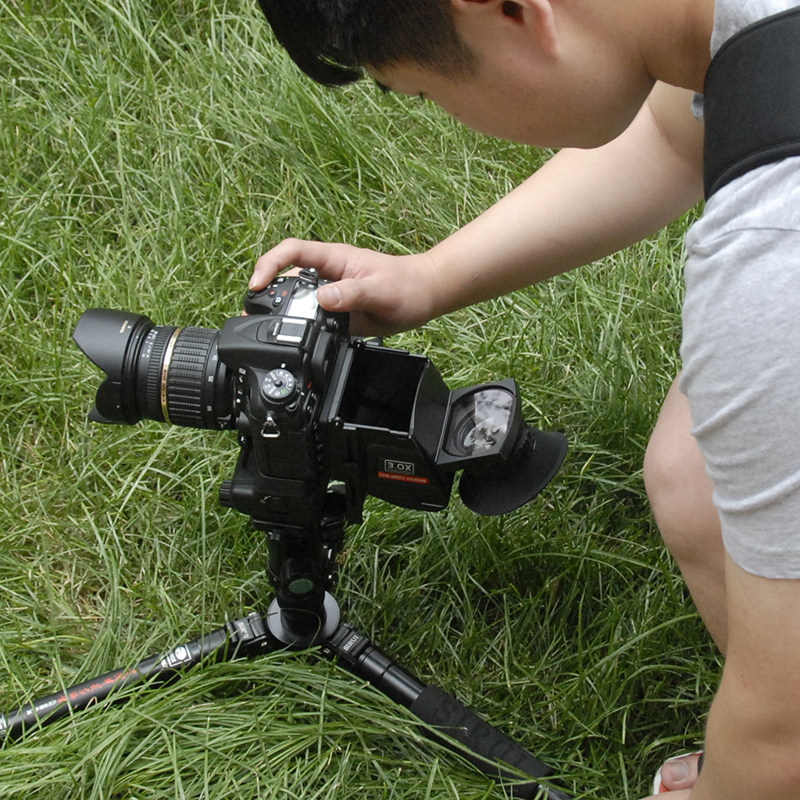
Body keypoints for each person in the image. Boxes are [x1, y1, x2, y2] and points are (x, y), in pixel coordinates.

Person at [249, 1, 800, 797]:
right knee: (693, 476)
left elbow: (784, 739)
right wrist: (430, 275)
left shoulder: (772, 272)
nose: (449, 116)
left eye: (424, 93)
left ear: (510, 11)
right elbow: (680, 129)